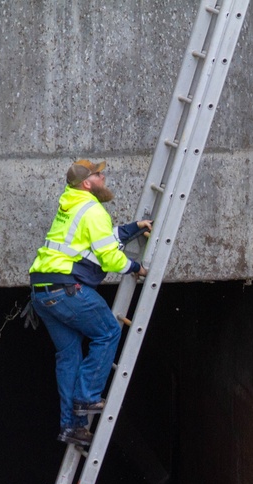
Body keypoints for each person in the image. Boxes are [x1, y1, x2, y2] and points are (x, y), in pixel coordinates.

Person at [28, 159, 151, 448]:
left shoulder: (71, 204)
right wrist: (135, 268)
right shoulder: (94, 210)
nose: (104, 176)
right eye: (98, 174)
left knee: (69, 355)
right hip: (65, 289)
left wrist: (134, 227)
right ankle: (87, 398)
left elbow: (96, 243)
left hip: (42, 291)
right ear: (87, 183)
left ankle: (72, 426)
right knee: (108, 331)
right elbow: (108, 257)